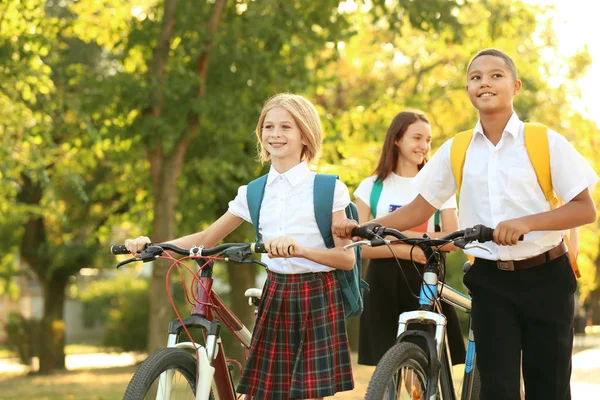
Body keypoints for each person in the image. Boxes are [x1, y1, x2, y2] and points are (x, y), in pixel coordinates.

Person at [333, 49, 598, 400]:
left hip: (546, 278)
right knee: (497, 388)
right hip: (490, 281)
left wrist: (526, 223)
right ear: (468, 89)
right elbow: (418, 208)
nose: (484, 82)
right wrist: (363, 227)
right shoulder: (457, 149)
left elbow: (584, 210)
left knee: (547, 387)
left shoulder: (544, 141)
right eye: (475, 77)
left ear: (515, 86)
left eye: (495, 75)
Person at [125, 93, 355, 400]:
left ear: (305, 134)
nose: (275, 134)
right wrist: (153, 245)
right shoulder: (254, 192)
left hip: (316, 296)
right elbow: (207, 239)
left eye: (286, 127)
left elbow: (345, 260)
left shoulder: (328, 189)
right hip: (276, 292)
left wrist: (301, 250)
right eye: (268, 126)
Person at [353, 110, 466, 367]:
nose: (424, 146)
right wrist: (408, 250)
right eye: (417, 138)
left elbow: (451, 240)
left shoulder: (439, 185)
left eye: (428, 140)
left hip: (426, 278)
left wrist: (398, 238)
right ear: (397, 139)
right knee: (386, 366)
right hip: (381, 282)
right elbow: (357, 243)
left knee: (424, 363)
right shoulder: (371, 186)